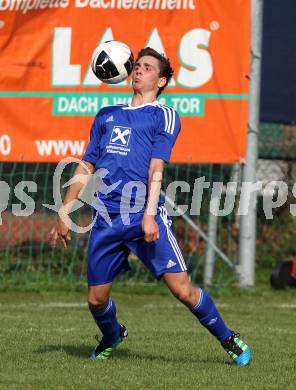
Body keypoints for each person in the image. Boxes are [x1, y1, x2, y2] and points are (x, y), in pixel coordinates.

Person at [50, 47, 252, 366]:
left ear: (161, 80)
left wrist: (148, 215)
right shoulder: (106, 114)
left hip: (144, 215)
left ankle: (228, 337)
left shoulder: (163, 115)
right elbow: (86, 165)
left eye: (147, 67)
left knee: (183, 291)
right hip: (106, 217)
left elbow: (156, 167)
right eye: (137, 66)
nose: (138, 70)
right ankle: (113, 334)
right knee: (95, 299)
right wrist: (65, 210)